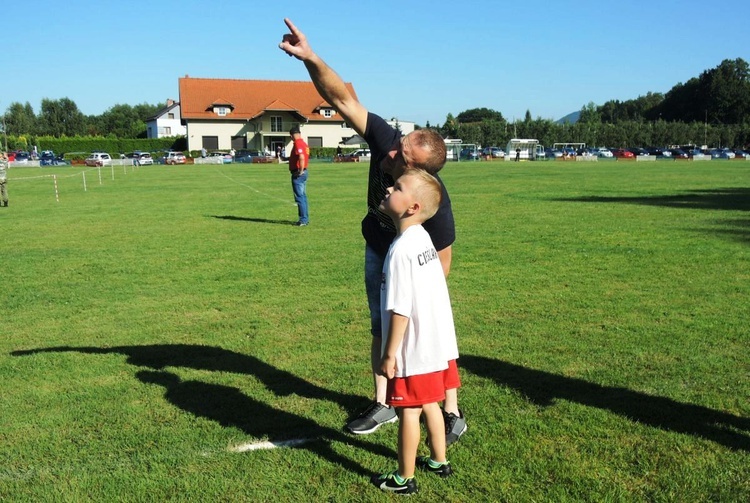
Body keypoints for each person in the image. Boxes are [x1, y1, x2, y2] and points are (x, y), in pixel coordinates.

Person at [279, 18, 466, 445]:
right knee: (379, 325)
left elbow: (443, 262)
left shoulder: (436, 202)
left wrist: (421, 297)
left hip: (416, 264)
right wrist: (311, 58)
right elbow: (340, 96)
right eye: (400, 141)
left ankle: (451, 409)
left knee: (427, 330)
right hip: (378, 247)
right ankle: (383, 402)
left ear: (417, 174)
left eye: (403, 153)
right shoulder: (386, 139)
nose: (392, 149)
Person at [370, 169, 459, 494]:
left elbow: (401, 309)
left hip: (414, 351)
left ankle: (403, 478)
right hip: (436, 347)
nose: (389, 188)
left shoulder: (401, 250)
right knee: (432, 404)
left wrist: (390, 353)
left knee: (408, 411)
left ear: (413, 207)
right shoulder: (423, 239)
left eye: (398, 187)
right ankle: (439, 460)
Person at [288, 125, 310, 226]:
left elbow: (301, 157)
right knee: (303, 197)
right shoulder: (304, 144)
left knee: (300, 197)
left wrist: (300, 171)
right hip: (304, 171)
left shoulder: (298, 143)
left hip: (299, 173)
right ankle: (305, 218)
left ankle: (303, 220)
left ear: (292, 135)